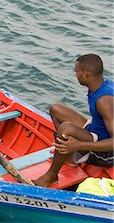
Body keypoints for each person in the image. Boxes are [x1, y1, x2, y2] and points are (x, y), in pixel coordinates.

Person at [34, 54, 113, 187]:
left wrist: (79, 146)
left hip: (107, 154)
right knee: (56, 109)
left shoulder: (104, 101)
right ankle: (69, 158)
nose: (75, 75)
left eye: (77, 72)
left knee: (66, 129)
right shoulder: (102, 84)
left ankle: (51, 176)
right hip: (96, 131)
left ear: (86, 75)